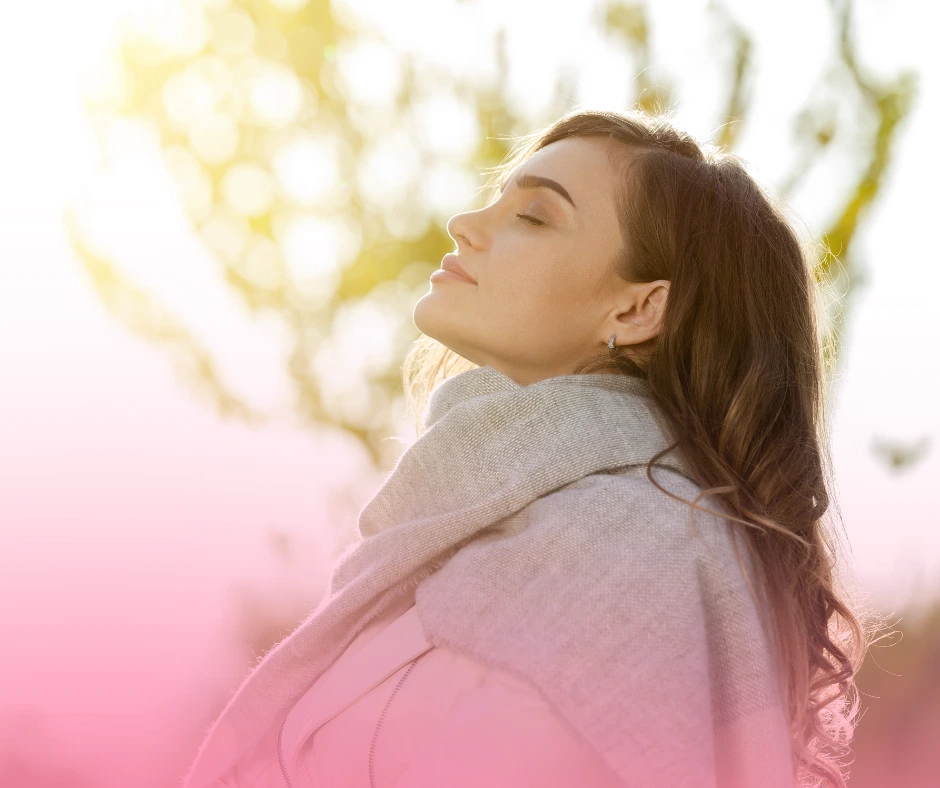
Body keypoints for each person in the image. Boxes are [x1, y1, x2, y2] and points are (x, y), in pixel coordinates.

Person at [180, 108, 870, 788]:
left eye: (534, 216)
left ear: (636, 310)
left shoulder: (634, 546)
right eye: (497, 201)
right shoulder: (468, 533)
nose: (465, 225)